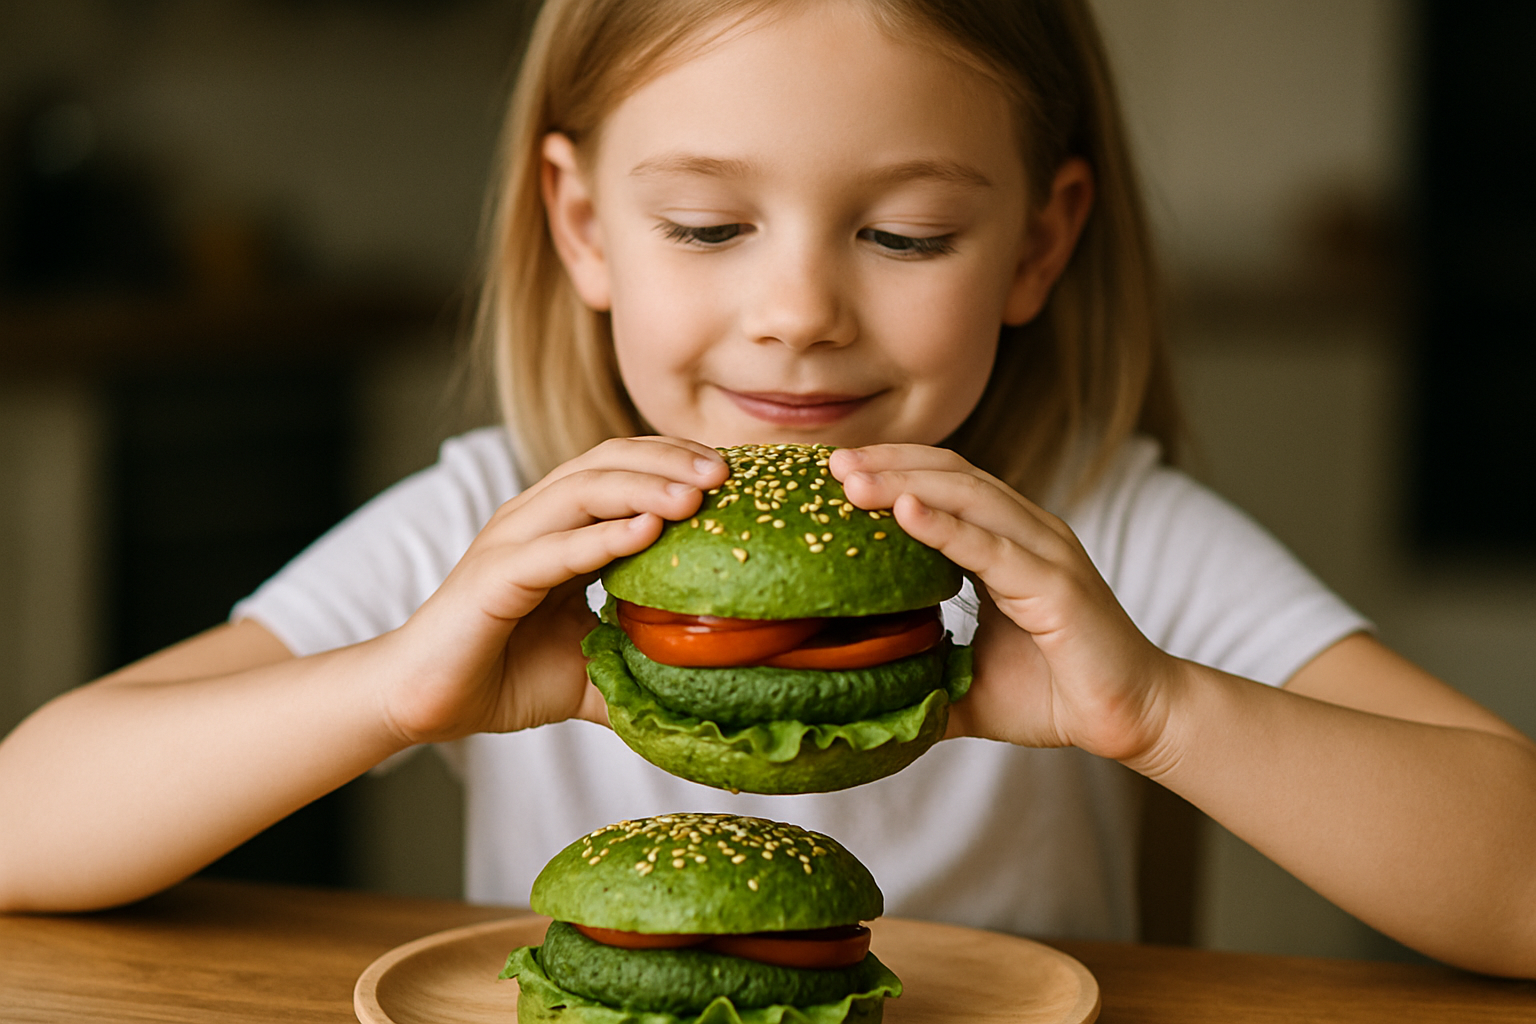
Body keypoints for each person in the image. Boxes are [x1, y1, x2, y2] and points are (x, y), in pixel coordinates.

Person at [2, 0, 1534, 977]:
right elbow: (23, 825)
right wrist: (401, 688)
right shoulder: (503, 518)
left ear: (1039, 246)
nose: (797, 310)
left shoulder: (1098, 528)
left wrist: (1154, 708)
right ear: (583, 224)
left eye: (910, 234)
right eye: (707, 227)